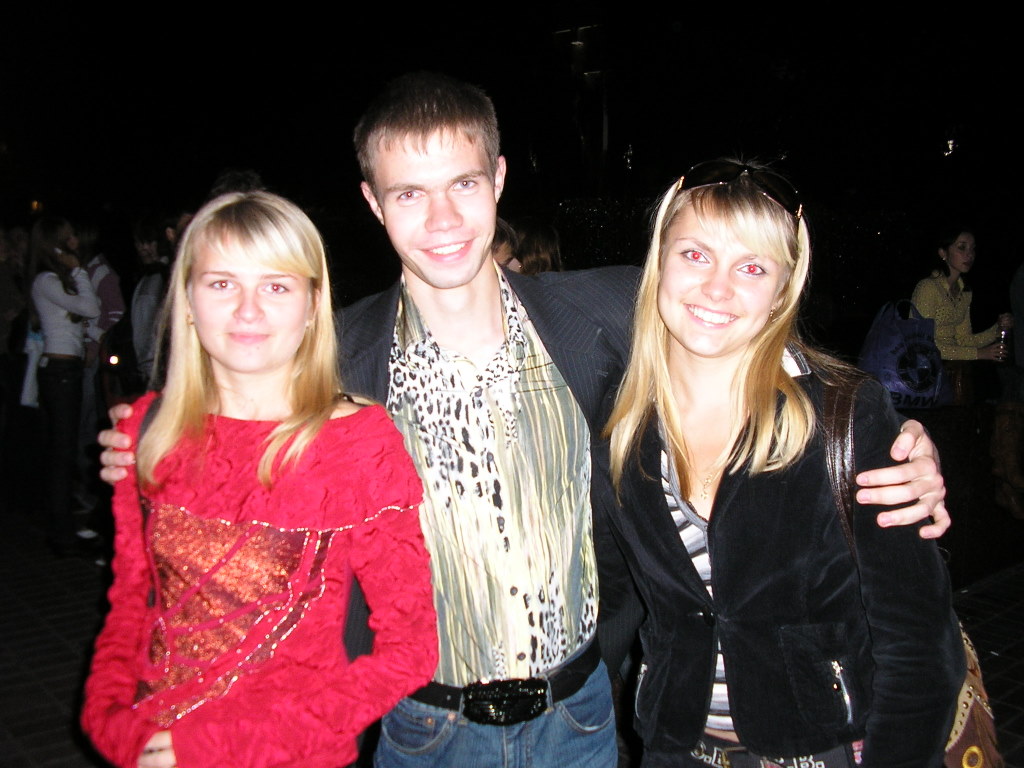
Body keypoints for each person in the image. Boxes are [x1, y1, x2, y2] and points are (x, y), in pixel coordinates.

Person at [101, 73, 951, 768]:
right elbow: (232, 403)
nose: (442, 221)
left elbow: (734, 315)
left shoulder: (600, 316)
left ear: (499, 180)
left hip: (583, 717)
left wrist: (889, 440)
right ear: (372, 203)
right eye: (410, 193)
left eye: (464, 185)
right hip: (422, 728)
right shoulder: (342, 360)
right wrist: (142, 436)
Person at [600, 161, 964, 767]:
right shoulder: (621, 424)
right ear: (659, 261)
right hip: (678, 750)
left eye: (752, 267)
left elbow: (921, 650)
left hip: (818, 751)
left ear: (781, 289)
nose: (717, 288)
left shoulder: (845, 417)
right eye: (695, 254)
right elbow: (612, 601)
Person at [81, 191, 438, 768]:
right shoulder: (145, 429)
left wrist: (212, 749)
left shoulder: (358, 443)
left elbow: (409, 651)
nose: (247, 311)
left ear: (312, 305)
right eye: (222, 283)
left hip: (289, 754)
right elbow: (129, 606)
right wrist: (110, 723)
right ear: (188, 300)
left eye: (276, 286)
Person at [30, 216, 101, 555]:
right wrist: (79, 271)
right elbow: (91, 307)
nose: (75, 242)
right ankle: (61, 534)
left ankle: (62, 527)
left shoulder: (55, 281)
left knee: (63, 451)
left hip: (65, 369)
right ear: (54, 245)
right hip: (58, 371)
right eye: (68, 237)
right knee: (61, 453)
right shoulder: (46, 280)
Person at [912, 228, 1012, 363]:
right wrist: (979, 353)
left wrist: (997, 329)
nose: (969, 254)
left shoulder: (964, 292)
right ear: (943, 253)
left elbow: (964, 340)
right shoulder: (928, 287)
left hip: (950, 367)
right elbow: (922, 343)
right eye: (962, 247)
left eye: (972, 249)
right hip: (924, 367)